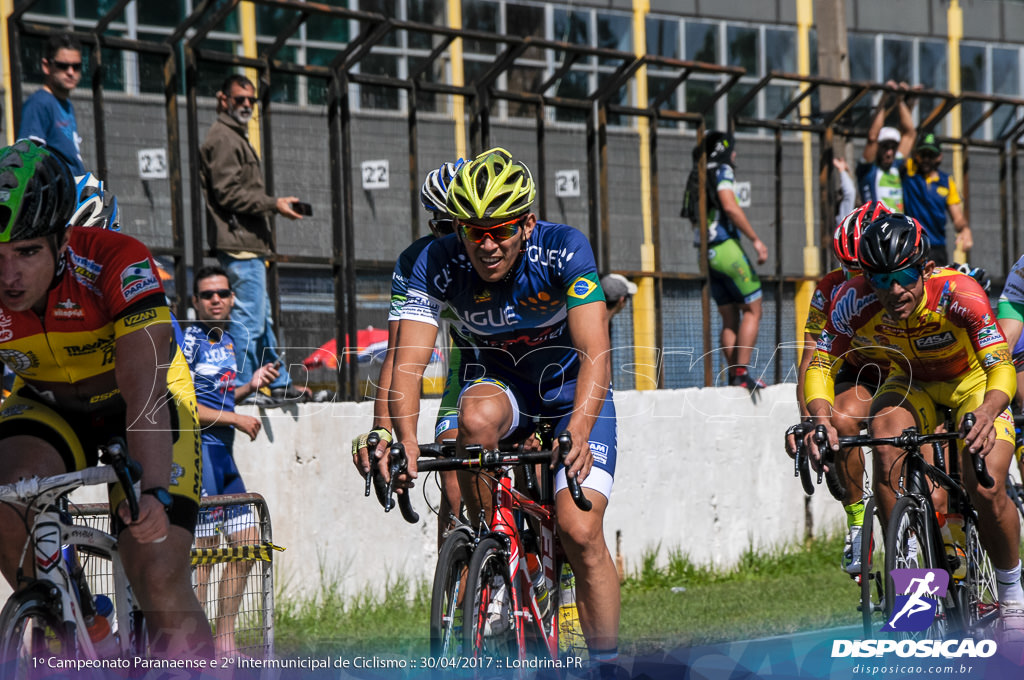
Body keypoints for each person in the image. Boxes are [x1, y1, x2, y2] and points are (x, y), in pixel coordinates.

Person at [388, 148, 621, 673]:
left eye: (501, 230)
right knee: (471, 422)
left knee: (580, 532)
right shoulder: (434, 263)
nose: (487, 244)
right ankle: (495, 552)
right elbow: (407, 363)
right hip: (504, 386)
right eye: (475, 232)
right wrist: (400, 435)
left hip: (569, 392)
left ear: (527, 225)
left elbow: (595, 352)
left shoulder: (563, 250)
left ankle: (607, 664)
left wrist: (580, 428)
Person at [0, 140, 213, 657]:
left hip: (133, 405)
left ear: (61, 240)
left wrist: (155, 494)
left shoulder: (117, 262)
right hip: (49, 406)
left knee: (155, 570)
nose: (8, 276)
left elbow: (143, 392)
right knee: (6, 498)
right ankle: (75, 620)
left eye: (27, 253)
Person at [804, 212, 1024, 644]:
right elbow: (821, 362)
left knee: (984, 483)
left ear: (924, 267)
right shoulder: (853, 300)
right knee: (884, 440)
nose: (894, 290)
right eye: (881, 280)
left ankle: (1012, 596)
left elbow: (999, 365)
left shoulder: (960, 293)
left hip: (971, 382)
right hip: (908, 382)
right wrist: (818, 416)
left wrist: (988, 410)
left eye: (904, 276)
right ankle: (912, 583)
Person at [351, 159, 467, 546]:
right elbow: (401, 358)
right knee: (455, 485)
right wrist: (385, 430)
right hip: (471, 365)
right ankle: (457, 600)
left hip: (529, 362)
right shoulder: (419, 262)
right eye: (446, 229)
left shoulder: (505, 252)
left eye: (466, 228)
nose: (460, 242)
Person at [786, 201, 891, 574]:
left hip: (915, 369)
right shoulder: (830, 289)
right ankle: (859, 519)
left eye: (861, 269)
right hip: (862, 371)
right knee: (838, 424)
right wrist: (810, 422)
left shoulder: (907, 282)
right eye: (847, 268)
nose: (853, 279)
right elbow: (811, 356)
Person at [182, 265, 279, 656]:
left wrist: (249, 386)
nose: (216, 299)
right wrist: (236, 418)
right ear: (195, 302)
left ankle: (223, 640)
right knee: (202, 557)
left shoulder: (230, 340)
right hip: (196, 455)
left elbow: (216, 398)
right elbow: (183, 405)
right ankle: (193, 645)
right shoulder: (187, 339)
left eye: (222, 293)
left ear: (233, 297)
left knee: (247, 544)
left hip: (224, 459)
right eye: (207, 295)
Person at [199, 73, 306, 404]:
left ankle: (279, 380)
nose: (246, 105)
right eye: (239, 99)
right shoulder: (223, 139)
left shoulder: (234, 136)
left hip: (248, 242)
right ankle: (243, 387)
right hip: (238, 242)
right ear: (223, 100)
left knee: (262, 318)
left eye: (251, 100)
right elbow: (228, 193)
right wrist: (273, 204)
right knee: (248, 320)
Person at [687, 131, 769, 394]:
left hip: (706, 251)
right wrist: (756, 240)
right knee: (754, 309)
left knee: (729, 315)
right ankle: (742, 374)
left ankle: (735, 376)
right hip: (725, 248)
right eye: (732, 149)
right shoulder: (722, 170)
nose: (735, 155)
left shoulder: (698, 172)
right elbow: (730, 206)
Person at [899, 131, 973, 266]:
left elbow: (957, 218)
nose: (926, 159)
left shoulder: (946, 181)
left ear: (939, 157)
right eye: (923, 154)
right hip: (911, 245)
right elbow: (902, 148)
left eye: (931, 155)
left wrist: (964, 229)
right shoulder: (909, 171)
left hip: (936, 247)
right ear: (916, 155)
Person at [19, 33, 86, 175]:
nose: (70, 72)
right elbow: (28, 160)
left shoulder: (66, 104)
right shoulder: (39, 103)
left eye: (76, 66)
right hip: (56, 195)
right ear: (46, 66)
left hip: (73, 191)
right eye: (63, 66)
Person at [855, 81, 915, 213]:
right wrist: (884, 98)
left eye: (893, 147)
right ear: (878, 148)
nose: (889, 152)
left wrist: (900, 101)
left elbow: (910, 134)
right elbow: (872, 137)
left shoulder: (895, 165)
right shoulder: (868, 169)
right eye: (885, 147)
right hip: (876, 228)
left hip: (898, 228)